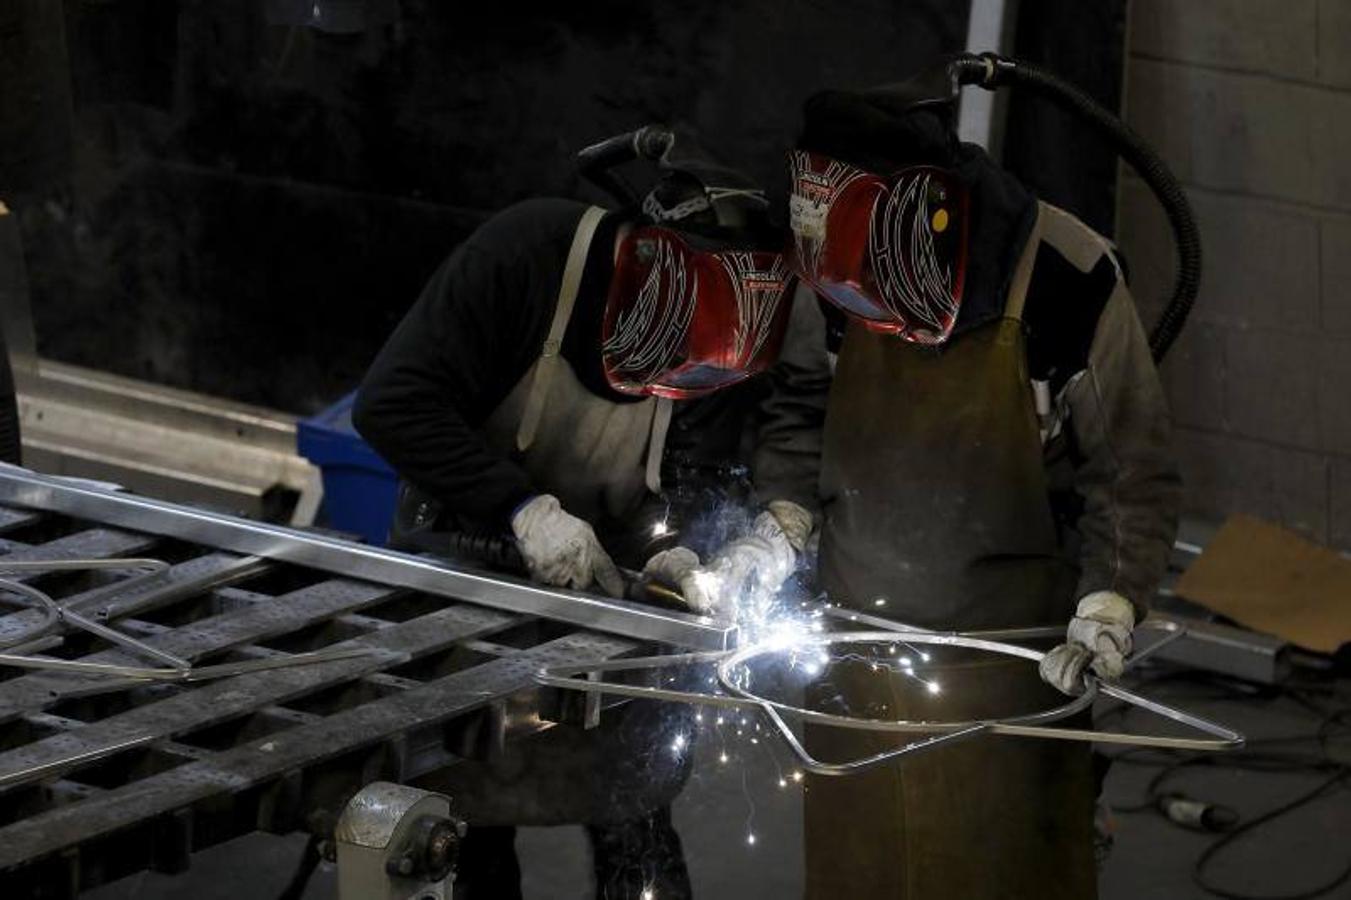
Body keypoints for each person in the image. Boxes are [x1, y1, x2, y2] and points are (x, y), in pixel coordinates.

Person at [747, 68, 1181, 898]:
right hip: (854, 650)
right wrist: (780, 524)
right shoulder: (828, 271)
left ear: (923, 216)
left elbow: (1128, 469)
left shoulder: (1067, 276)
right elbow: (800, 408)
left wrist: (1110, 602)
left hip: (1011, 669)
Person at [352, 136, 803, 899]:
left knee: (636, 817)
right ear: (649, 272)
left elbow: (697, 471)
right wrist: (523, 511)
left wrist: (685, 552)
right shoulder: (525, 254)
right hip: (463, 576)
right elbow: (391, 406)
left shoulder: (727, 326)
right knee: (464, 831)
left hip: (611, 600)